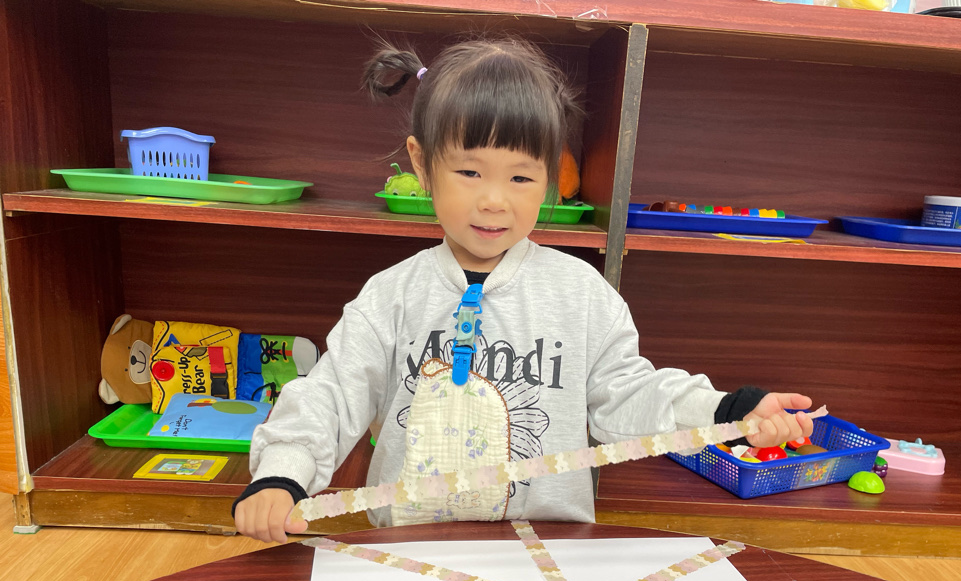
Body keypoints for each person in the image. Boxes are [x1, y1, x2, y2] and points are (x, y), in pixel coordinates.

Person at [233, 37, 813, 543]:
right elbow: (331, 394)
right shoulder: (390, 296)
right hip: (410, 547)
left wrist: (727, 409)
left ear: (550, 178)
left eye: (520, 176)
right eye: (469, 172)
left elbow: (629, 396)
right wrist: (282, 474)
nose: (494, 200)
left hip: (549, 550)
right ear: (422, 163)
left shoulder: (582, 295)